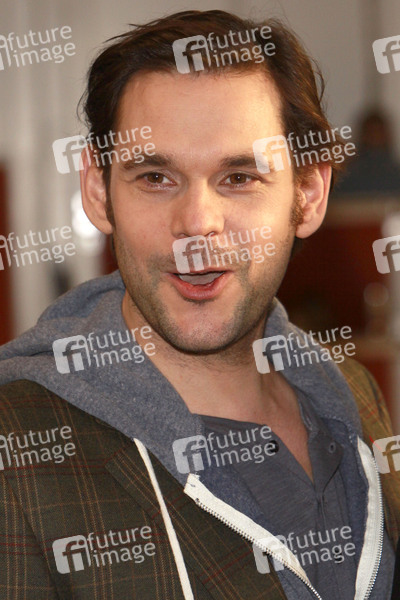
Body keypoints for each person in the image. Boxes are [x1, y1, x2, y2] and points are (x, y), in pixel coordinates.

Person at [0, 9, 399, 600]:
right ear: (98, 191)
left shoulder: (354, 394)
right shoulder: (17, 453)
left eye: (239, 178)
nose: (196, 224)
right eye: (155, 177)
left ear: (308, 194)